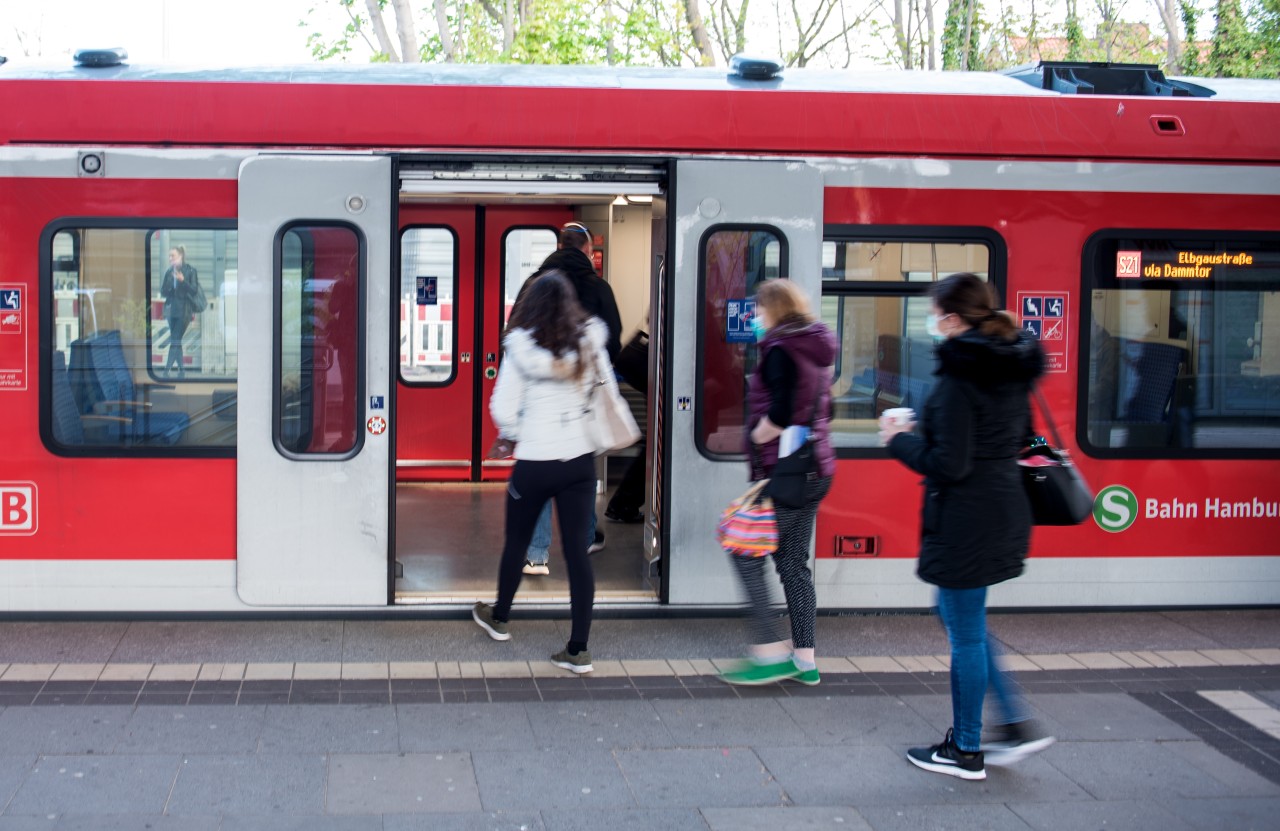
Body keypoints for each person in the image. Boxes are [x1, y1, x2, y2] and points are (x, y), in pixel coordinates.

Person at [880, 272, 1055, 781]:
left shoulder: (961, 377)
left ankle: (965, 750)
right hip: (1001, 510)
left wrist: (898, 438)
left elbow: (949, 464)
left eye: (936, 315)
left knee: (965, 633)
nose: (933, 324)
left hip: (967, 519)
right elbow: (1018, 438)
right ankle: (1016, 724)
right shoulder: (1009, 365)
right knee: (963, 619)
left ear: (953, 319)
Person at [472, 271, 605, 674]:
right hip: (580, 462)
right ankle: (578, 649)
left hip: (535, 462)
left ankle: (500, 618)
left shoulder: (522, 348)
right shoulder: (589, 343)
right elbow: (602, 395)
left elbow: (503, 409)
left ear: (530, 305)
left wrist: (512, 433)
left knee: (517, 542)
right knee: (578, 556)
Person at [720, 278, 836, 687]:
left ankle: (769, 651)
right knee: (791, 564)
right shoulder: (816, 349)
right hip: (816, 470)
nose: (753, 318)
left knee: (743, 550)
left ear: (774, 310)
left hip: (786, 475)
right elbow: (826, 410)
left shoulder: (779, 350)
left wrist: (754, 436)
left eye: (758, 310)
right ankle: (805, 660)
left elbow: (785, 412)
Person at [516, 222, 623, 575]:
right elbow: (613, 342)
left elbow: (513, 335)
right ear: (588, 250)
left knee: (540, 472)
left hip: (537, 400)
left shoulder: (533, 286)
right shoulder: (598, 287)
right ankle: (586, 539)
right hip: (582, 400)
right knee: (581, 473)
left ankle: (536, 554)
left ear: (559, 245)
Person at [159, 246, 201, 378]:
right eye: (169, 256)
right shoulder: (168, 272)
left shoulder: (190, 271)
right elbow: (163, 292)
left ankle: (166, 371)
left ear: (181, 256)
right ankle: (181, 370)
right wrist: (172, 284)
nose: (170, 258)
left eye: (173, 256)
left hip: (184, 311)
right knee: (176, 340)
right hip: (171, 310)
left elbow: (194, 290)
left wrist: (183, 281)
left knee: (175, 339)